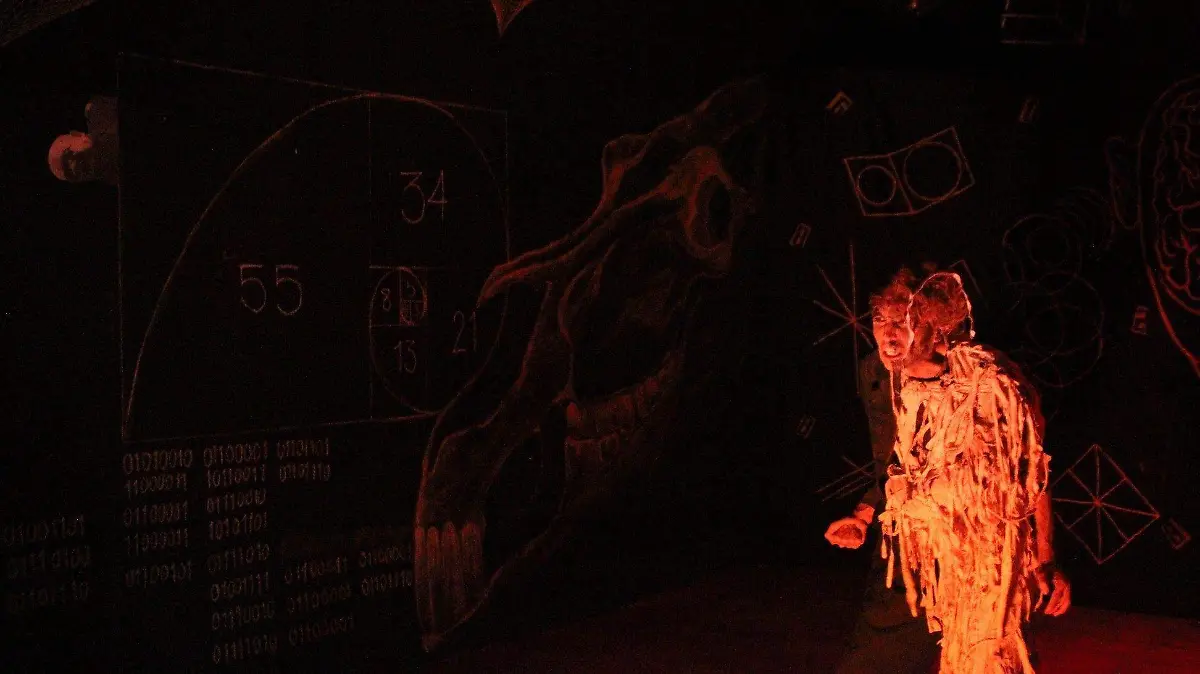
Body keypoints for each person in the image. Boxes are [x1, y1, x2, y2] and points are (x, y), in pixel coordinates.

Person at [825, 266, 1070, 674]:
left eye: (903, 322)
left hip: (981, 556)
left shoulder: (990, 384)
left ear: (935, 326)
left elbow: (1029, 472)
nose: (889, 336)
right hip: (913, 550)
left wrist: (1044, 557)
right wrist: (863, 516)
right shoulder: (878, 376)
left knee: (987, 658)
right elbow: (892, 463)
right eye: (880, 321)